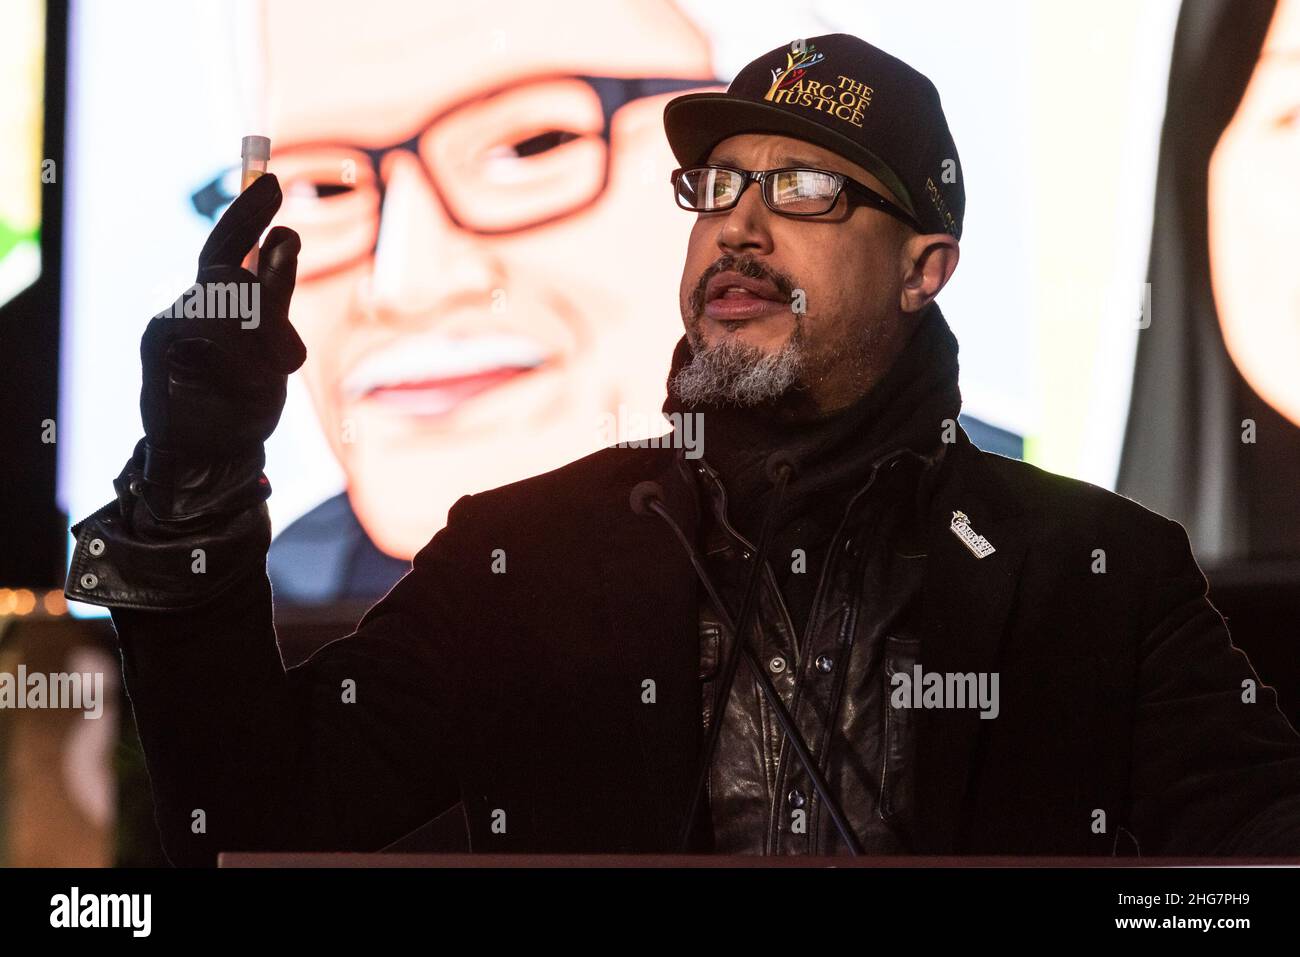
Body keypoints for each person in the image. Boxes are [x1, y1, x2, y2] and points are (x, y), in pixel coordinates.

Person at [67, 33, 1300, 865]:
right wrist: (193, 486)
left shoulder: (1100, 571)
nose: (738, 229)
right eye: (716, 188)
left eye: (805, 191)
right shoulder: (523, 554)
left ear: (924, 268)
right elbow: (252, 812)